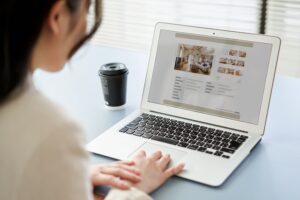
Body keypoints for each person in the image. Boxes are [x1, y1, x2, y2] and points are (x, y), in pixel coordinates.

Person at [0, 0, 185, 200]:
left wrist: (64, 176)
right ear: (57, 17)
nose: (85, 28)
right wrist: (132, 190)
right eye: (86, 11)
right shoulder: (54, 132)